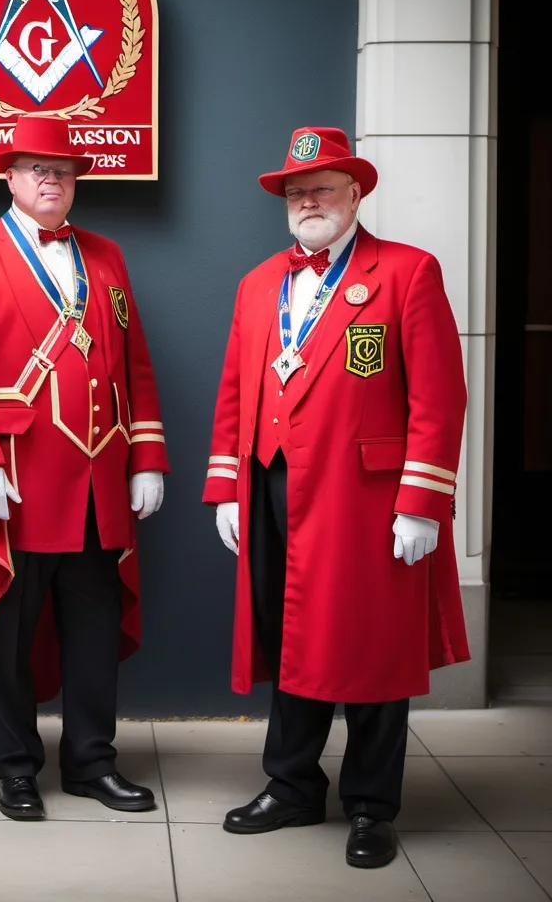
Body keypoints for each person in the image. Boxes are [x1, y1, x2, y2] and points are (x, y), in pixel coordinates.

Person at [204, 126, 469, 868]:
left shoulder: (408, 273)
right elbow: (235, 393)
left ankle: (371, 807)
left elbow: (440, 399)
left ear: (356, 194)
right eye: (296, 192)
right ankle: (291, 786)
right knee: (294, 640)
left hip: (369, 499)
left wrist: (422, 500)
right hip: (274, 488)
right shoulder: (259, 284)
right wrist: (227, 483)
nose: (308, 202)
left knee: (374, 653)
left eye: (322, 188)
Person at [0, 115, 169, 820]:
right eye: (36, 169)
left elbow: (134, 366)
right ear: (9, 177)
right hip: (14, 473)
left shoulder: (107, 255)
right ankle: (16, 767)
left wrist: (147, 456)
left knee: (92, 630)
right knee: (8, 630)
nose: (50, 180)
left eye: (62, 170)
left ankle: (93, 761)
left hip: (98, 479)